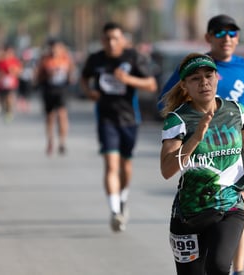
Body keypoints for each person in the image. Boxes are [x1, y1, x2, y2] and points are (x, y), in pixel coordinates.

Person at [159, 14, 244, 274]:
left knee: (218, 266)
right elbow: (167, 171)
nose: (204, 82)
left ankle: (238, 269)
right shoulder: (178, 119)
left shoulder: (235, 109)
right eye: (195, 78)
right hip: (189, 211)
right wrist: (196, 136)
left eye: (209, 75)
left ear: (217, 78)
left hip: (229, 203)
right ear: (184, 84)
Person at [80, 22, 157, 232]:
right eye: (107, 39)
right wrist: (89, 92)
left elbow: (151, 85)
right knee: (111, 165)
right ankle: (115, 212)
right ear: (102, 40)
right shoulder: (96, 59)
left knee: (125, 166)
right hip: (106, 119)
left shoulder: (133, 58)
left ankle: (122, 198)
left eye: (116, 38)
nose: (112, 42)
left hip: (130, 119)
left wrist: (128, 79)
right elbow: (83, 77)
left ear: (123, 39)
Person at [36, 38, 76, 156]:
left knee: (62, 115)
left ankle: (62, 142)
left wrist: (70, 77)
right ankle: (50, 140)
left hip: (62, 90)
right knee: (50, 117)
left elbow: (71, 72)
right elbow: (38, 77)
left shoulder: (66, 58)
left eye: (58, 47)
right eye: (53, 47)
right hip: (49, 90)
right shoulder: (45, 59)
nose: (55, 50)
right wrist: (47, 75)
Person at [0, 45, 22, 122]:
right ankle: (6, 110)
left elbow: (19, 71)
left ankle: (9, 112)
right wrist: (0, 74)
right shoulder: (0, 61)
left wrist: (13, 71)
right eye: (8, 52)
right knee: (3, 99)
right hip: (2, 84)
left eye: (11, 52)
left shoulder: (15, 61)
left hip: (12, 83)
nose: (9, 53)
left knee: (9, 98)